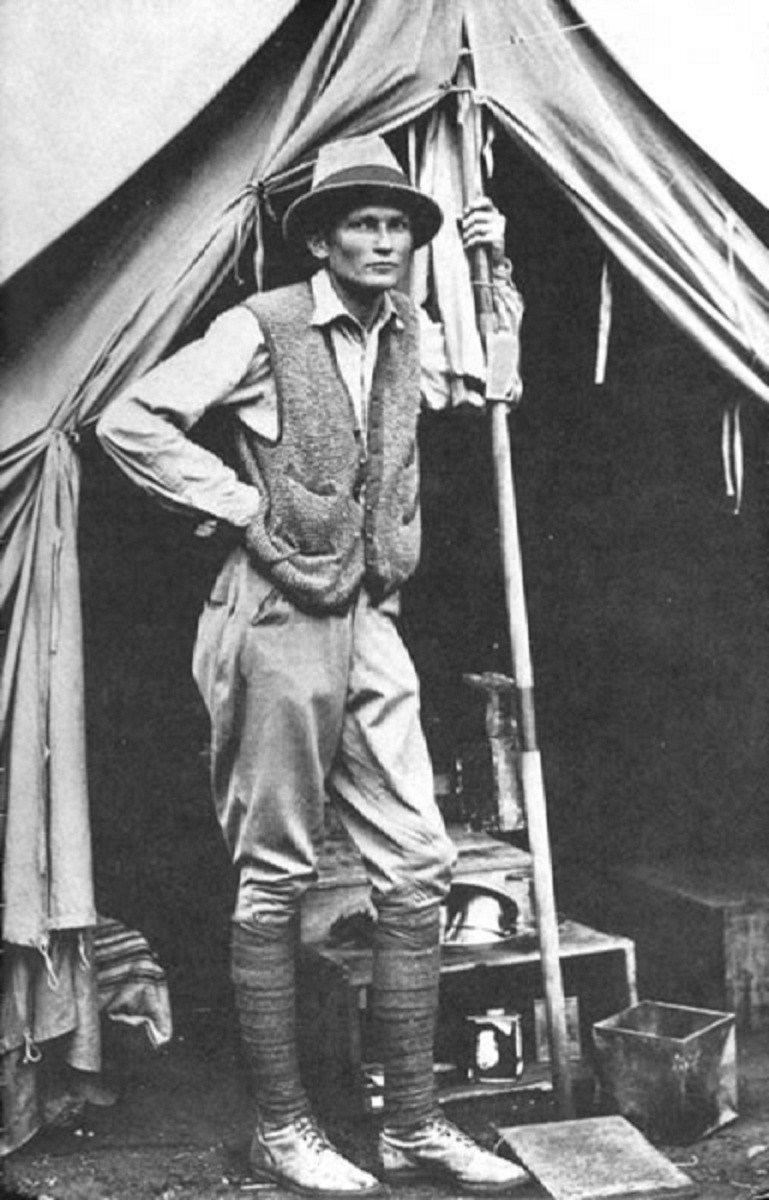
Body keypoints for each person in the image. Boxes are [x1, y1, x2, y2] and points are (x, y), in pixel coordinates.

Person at [97, 135, 528, 1196]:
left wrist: (496, 274)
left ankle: (414, 1126)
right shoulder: (261, 325)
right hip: (272, 618)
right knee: (277, 872)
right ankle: (283, 1129)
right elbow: (128, 419)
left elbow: (491, 387)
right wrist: (245, 509)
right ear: (323, 239)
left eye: (397, 225)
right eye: (362, 225)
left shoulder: (407, 330)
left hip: (366, 612)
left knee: (419, 860)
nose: (382, 241)